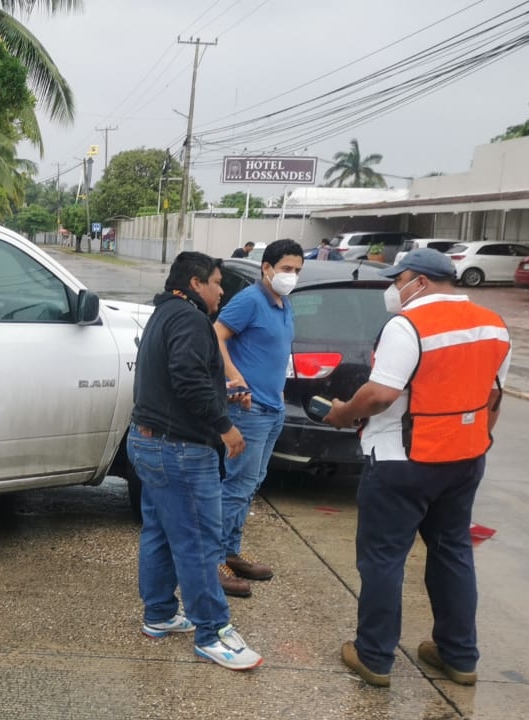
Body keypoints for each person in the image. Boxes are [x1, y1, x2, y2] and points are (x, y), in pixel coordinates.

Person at [323, 248, 510, 688]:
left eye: (398, 279)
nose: (394, 289)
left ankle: (374, 657)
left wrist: (342, 414)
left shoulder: (408, 325)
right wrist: (476, 443)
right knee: (453, 554)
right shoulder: (493, 324)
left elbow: (380, 395)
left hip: (402, 461)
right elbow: (494, 398)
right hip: (465, 460)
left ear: (419, 280)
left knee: (384, 560)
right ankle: (458, 656)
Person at [128, 251, 263, 672]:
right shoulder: (190, 319)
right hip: (179, 451)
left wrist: (222, 390)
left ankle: (160, 614)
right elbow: (186, 378)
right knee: (201, 541)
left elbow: (177, 377)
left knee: (161, 532)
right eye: (217, 282)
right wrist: (225, 425)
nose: (222, 290)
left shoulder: (165, 311)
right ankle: (213, 632)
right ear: (195, 282)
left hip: (150, 443)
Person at [213, 239, 304, 598]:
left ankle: (231, 552)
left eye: (297, 270)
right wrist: (235, 377)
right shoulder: (249, 300)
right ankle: (213, 562)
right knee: (236, 487)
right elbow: (215, 335)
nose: (291, 276)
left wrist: (278, 390)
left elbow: (276, 351)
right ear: (266, 267)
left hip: (272, 408)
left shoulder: (284, 304)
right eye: (285, 269)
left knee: (250, 485)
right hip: (247, 411)